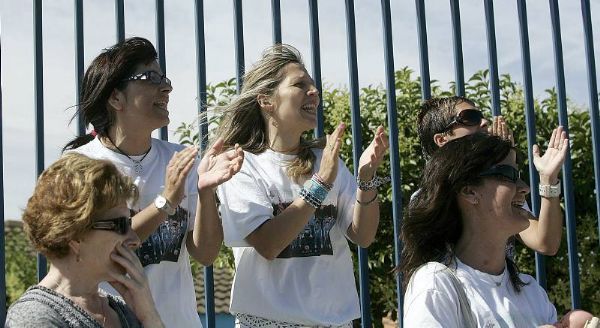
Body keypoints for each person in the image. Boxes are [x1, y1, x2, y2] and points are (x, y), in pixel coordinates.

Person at [63, 37, 244, 327]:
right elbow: (94, 253)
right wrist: (166, 201)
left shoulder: (181, 159)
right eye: (150, 77)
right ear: (115, 97)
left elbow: (206, 254)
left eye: (165, 78)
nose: (167, 87)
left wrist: (206, 192)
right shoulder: (79, 166)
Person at [215, 44, 389, 327]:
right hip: (269, 321)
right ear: (266, 100)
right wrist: (320, 184)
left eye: (313, 85)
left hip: (335, 321)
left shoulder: (327, 160)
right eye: (300, 84)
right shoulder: (241, 164)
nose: (314, 91)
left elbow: (362, 236)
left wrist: (366, 178)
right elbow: (268, 244)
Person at [401, 133, 597, 327]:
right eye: (508, 175)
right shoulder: (436, 285)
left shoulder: (531, 291)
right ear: (469, 191)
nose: (524, 188)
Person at [6, 153, 163, 327]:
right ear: (75, 234)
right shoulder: (36, 318)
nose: (135, 239)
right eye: (121, 225)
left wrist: (150, 316)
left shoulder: (121, 309)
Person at [417, 96, 563, 257]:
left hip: (498, 282)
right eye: (470, 118)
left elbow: (545, 243)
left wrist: (548, 180)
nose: (485, 122)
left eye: (481, 116)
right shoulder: (426, 199)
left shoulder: (497, 186)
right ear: (442, 139)